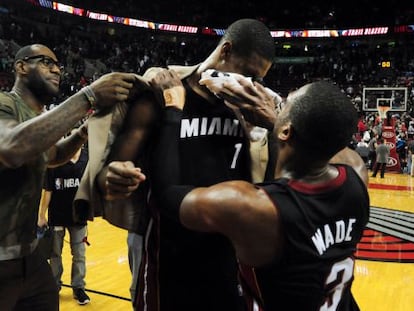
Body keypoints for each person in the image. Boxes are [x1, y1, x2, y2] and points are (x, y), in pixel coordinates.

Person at [97, 19, 276, 311]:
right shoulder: (161, 95)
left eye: (258, 79)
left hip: (228, 254)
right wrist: (114, 176)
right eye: (247, 73)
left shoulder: (250, 110)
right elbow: (112, 169)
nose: (250, 84)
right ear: (226, 51)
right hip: (169, 252)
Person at [150, 78, 369, 310]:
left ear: (287, 131)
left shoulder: (257, 207)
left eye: (284, 106)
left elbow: (167, 194)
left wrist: (173, 111)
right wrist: (279, 123)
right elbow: (332, 145)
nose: (274, 106)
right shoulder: (357, 176)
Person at [0, 43, 138, 311]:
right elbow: (10, 149)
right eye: (46, 62)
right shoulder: (4, 103)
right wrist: (89, 96)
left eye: (58, 66)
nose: (56, 70)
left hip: (30, 255)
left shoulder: (38, 116)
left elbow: (53, 156)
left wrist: (83, 132)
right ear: (21, 67)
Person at [38, 142, 90, 305]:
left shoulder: (87, 159)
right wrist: (41, 215)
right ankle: (54, 286)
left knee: (79, 254)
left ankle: (78, 287)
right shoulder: (56, 160)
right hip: (58, 216)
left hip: (78, 217)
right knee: (55, 254)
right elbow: (48, 191)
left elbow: (91, 186)